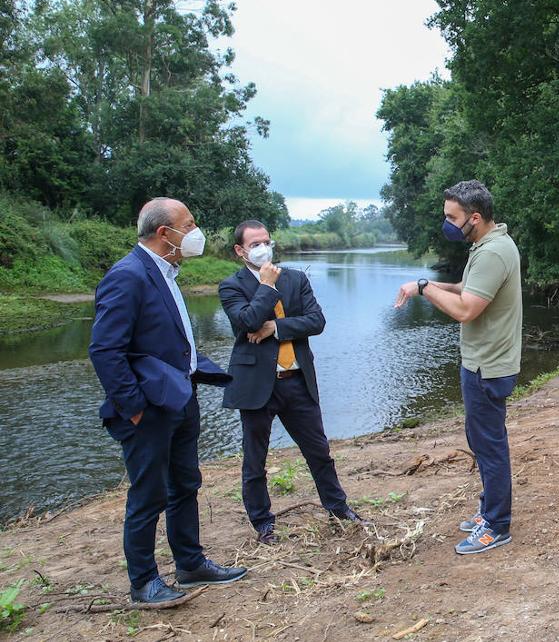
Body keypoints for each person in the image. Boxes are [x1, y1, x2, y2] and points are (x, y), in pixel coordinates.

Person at [88, 198, 247, 607]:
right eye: (189, 224)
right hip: (148, 409)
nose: (196, 231)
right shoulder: (128, 276)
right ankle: (143, 584)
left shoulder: (166, 271)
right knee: (148, 494)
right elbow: (106, 350)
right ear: (165, 233)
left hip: (179, 397)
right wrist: (134, 406)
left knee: (185, 484)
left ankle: (190, 564)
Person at [395, 180, 523, 555]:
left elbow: (466, 310)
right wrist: (434, 286)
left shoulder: (493, 253)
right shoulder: (485, 245)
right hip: (480, 363)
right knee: (481, 441)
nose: (447, 223)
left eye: (452, 217)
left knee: (490, 445)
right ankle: (490, 511)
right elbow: (465, 290)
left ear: (476, 217)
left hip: (488, 366)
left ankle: (497, 525)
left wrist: (422, 287)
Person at [218, 220, 364, 545]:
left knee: (320, 451)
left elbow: (317, 321)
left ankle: (338, 509)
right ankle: (263, 523)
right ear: (240, 250)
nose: (263, 248)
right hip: (256, 385)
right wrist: (267, 288)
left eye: (266, 241)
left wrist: (277, 328)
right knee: (255, 460)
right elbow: (246, 321)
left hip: (297, 380)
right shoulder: (231, 286)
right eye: (254, 244)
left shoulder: (296, 279)